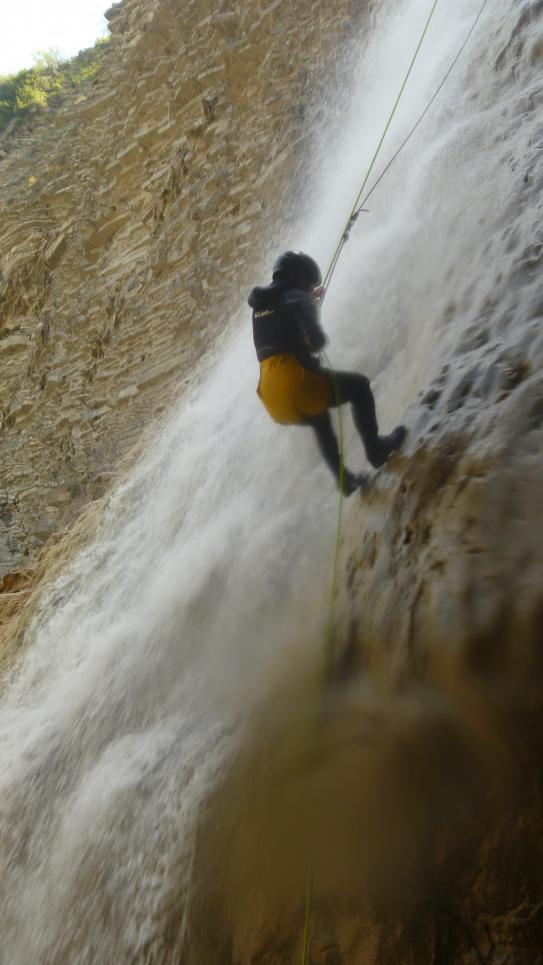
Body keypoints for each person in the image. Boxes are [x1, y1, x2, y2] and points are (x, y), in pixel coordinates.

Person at [249, 250, 406, 495]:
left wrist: (306, 303)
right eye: (308, 284)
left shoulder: (261, 303)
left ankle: (345, 481)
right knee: (360, 388)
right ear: (299, 278)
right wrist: (308, 307)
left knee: (319, 419)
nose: (308, 289)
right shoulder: (298, 299)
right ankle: (376, 451)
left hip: (271, 397)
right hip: (296, 384)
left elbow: (281, 331)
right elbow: (318, 342)